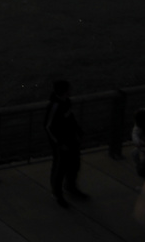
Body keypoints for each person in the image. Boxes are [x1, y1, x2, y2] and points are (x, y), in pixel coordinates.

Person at [45, 78, 88, 207]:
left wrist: (78, 132)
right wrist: (59, 143)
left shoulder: (65, 103)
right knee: (60, 168)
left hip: (71, 140)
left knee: (74, 165)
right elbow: (48, 127)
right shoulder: (56, 106)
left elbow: (70, 118)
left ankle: (70, 187)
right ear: (63, 91)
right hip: (62, 144)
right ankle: (57, 194)